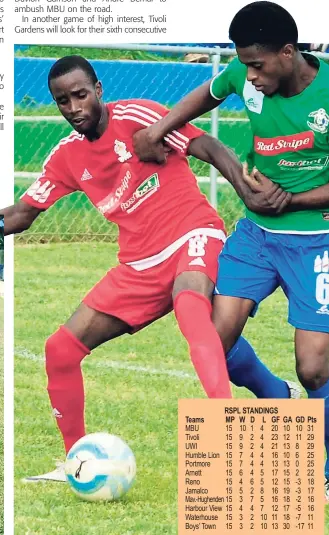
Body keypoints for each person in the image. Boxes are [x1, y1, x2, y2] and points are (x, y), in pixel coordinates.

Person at [2, 54, 298, 482]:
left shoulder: (138, 116)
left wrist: (246, 192)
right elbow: (21, 215)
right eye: (62, 101)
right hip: (138, 265)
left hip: (191, 233)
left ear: (98, 89)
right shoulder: (67, 157)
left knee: (192, 308)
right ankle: (78, 462)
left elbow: (207, 146)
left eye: (81, 95)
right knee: (59, 350)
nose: (74, 108)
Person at [133, 1, 329, 497]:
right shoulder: (246, 78)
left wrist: (293, 200)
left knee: (315, 367)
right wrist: (160, 128)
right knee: (211, 343)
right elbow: (207, 92)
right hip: (256, 235)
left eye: (259, 65)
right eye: (244, 63)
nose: (250, 76)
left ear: (289, 52)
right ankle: (273, 395)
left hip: (317, 238)